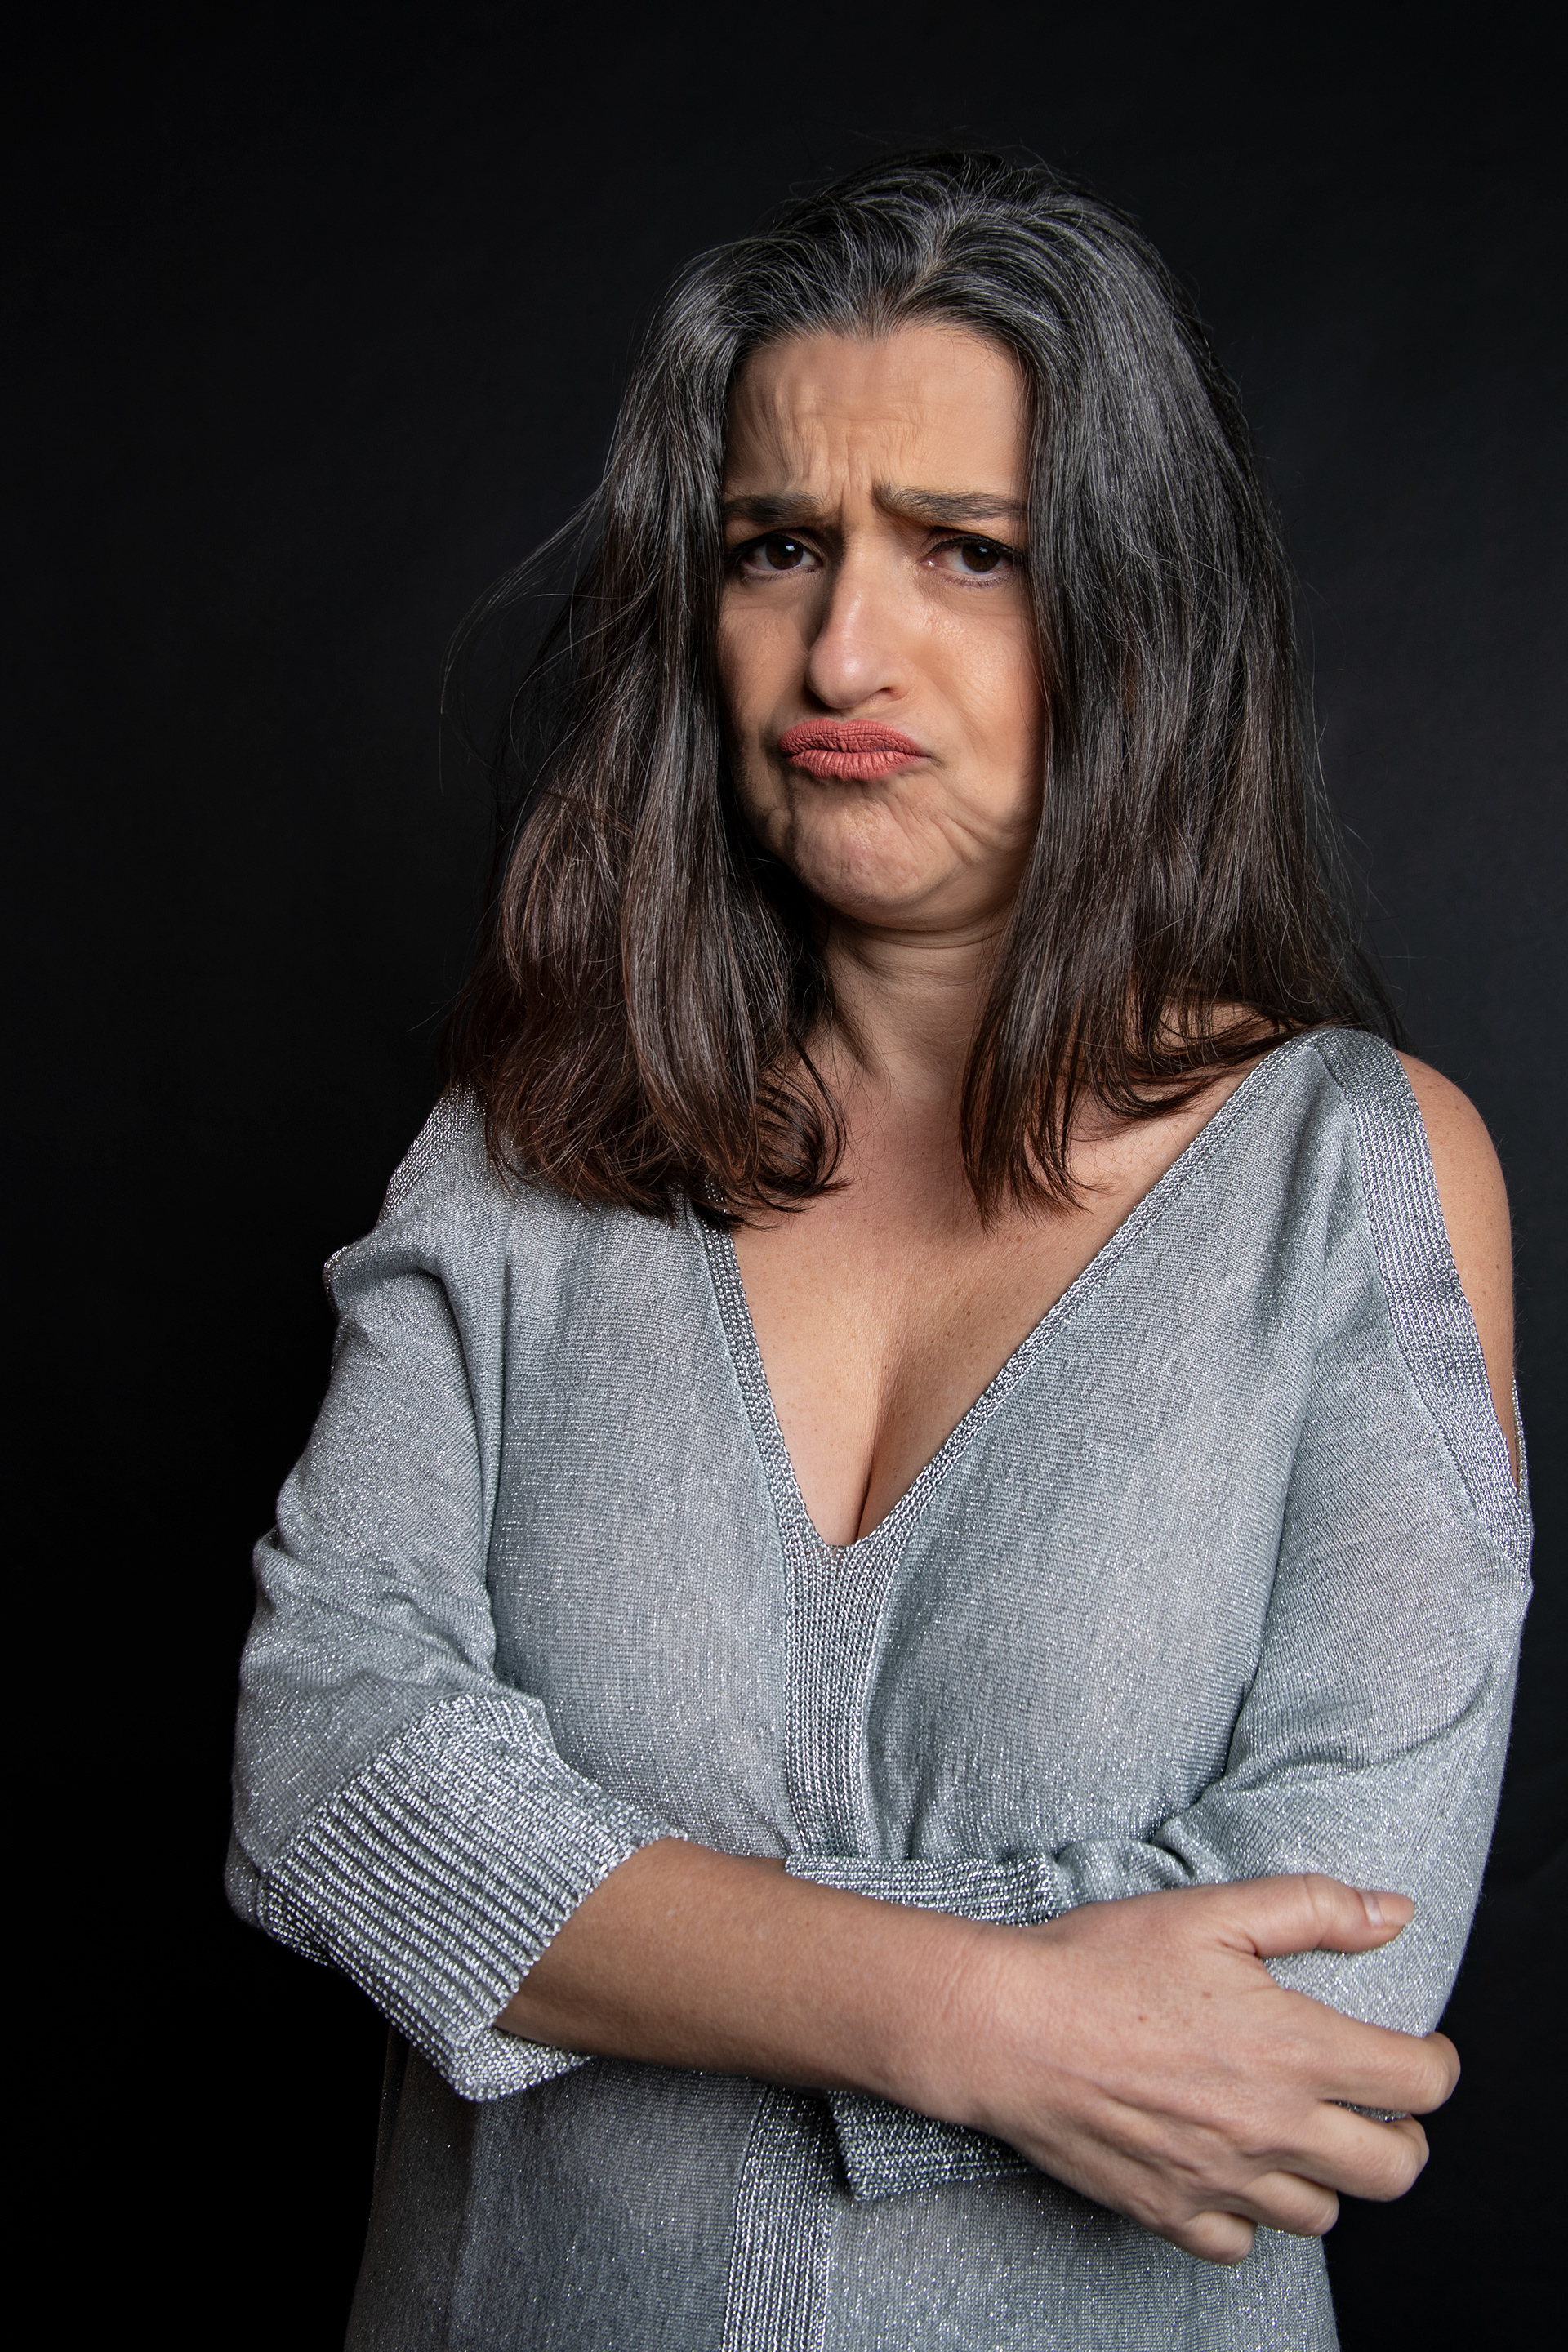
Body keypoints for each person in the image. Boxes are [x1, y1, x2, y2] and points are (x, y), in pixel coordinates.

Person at [228, 154, 1530, 2350]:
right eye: (778, 547)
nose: (844, 647)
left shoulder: (1356, 1178)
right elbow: (330, 1780)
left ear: (1136, 612)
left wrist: (585, 1918)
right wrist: (982, 2021)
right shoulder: (522, 1145)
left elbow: (1332, 1992)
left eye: (965, 552)